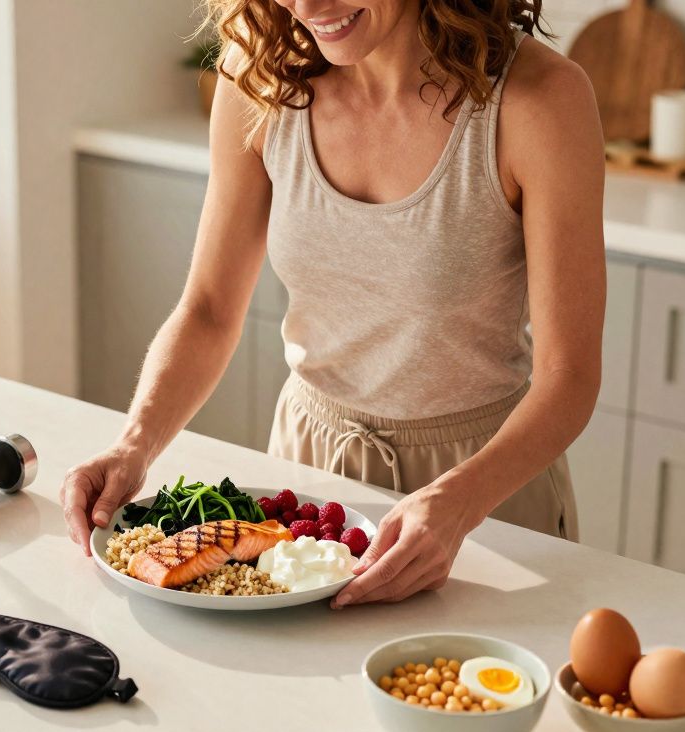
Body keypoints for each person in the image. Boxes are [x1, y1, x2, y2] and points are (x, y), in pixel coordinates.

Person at [62, 0, 605, 608]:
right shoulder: (261, 76)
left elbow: (569, 377)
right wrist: (133, 445)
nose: (308, 8)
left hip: (486, 491)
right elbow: (210, 309)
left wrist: (458, 502)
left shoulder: (540, 100)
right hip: (308, 476)